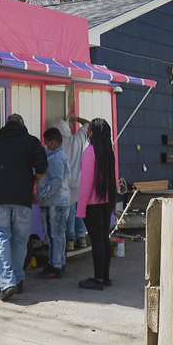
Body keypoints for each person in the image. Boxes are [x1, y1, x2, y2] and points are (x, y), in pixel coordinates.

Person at [0, 113, 48, 301]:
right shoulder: (30, 141)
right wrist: (33, 180)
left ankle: (7, 283)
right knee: (20, 241)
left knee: (2, 240)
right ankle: (18, 280)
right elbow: (42, 165)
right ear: (22, 125)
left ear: (6, 125)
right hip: (23, 198)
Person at [76, 118, 116, 290]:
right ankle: (105, 277)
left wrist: (80, 210)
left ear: (92, 133)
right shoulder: (109, 151)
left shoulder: (89, 152)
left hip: (93, 203)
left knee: (97, 240)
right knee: (104, 239)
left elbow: (86, 184)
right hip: (107, 201)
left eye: (89, 129)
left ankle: (98, 279)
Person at [35, 127, 71, 279]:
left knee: (54, 235)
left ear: (53, 142)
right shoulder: (59, 156)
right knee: (57, 235)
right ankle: (57, 263)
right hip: (58, 202)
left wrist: (41, 196)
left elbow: (56, 181)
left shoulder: (56, 159)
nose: (45, 146)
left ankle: (55, 266)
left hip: (55, 203)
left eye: (47, 142)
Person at [52, 115, 90, 252]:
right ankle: (81, 237)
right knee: (78, 210)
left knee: (69, 210)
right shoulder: (78, 139)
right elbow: (89, 124)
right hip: (79, 181)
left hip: (65, 183)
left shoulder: (57, 146)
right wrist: (76, 119)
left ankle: (70, 240)